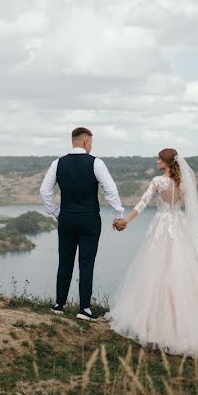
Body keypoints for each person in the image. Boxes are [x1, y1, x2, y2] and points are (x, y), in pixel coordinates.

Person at [108, 148, 198, 357]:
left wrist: (126, 221)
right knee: (187, 271)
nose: (156, 161)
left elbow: (142, 204)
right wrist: (196, 236)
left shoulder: (157, 182)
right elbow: (192, 212)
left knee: (156, 271)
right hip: (180, 227)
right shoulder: (185, 183)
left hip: (161, 228)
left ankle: (156, 324)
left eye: (159, 159)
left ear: (167, 162)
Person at [40, 127, 126, 321]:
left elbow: (45, 191)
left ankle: (58, 305)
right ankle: (84, 309)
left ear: (73, 141)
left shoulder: (57, 163)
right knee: (86, 264)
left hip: (67, 219)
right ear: (86, 142)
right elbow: (110, 190)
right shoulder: (96, 163)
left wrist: (56, 212)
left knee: (65, 262)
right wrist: (118, 214)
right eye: (91, 142)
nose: (91, 146)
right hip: (89, 220)